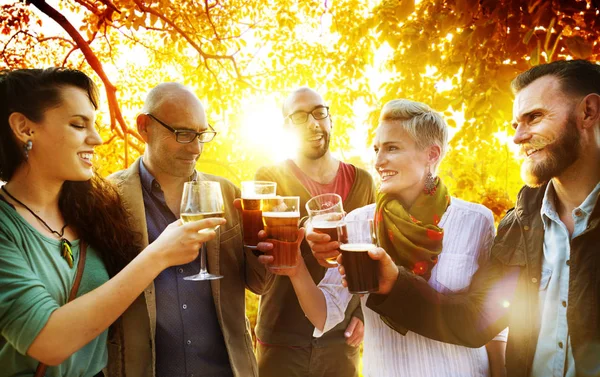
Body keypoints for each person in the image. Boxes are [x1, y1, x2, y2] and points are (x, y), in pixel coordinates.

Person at [359, 59, 600, 377]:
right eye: (516, 125)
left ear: (588, 112)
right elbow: (475, 321)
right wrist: (392, 282)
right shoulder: (520, 226)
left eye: (534, 117)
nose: (518, 137)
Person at [258, 98, 508, 376]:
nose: (378, 161)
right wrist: (296, 269)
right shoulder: (356, 222)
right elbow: (326, 314)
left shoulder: (476, 220)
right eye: (377, 149)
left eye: (392, 148)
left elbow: (491, 320)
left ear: (432, 155)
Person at [0, 68, 221, 377]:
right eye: (78, 125)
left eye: (93, 124)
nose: (97, 138)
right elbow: (47, 341)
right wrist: (158, 255)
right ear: (25, 128)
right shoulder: (5, 228)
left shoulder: (95, 210)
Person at [105, 82, 274, 377]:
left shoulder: (228, 193)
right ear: (144, 126)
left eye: (201, 135)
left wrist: (271, 252)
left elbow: (259, 283)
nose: (196, 148)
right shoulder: (107, 199)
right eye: (183, 134)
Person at [253, 87, 377, 377]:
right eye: (299, 117)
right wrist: (306, 226)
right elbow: (265, 246)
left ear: (330, 119)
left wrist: (362, 314)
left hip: (340, 339)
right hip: (282, 338)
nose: (313, 123)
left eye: (319, 113)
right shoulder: (270, 178)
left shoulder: (363, 182)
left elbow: (371, 251)